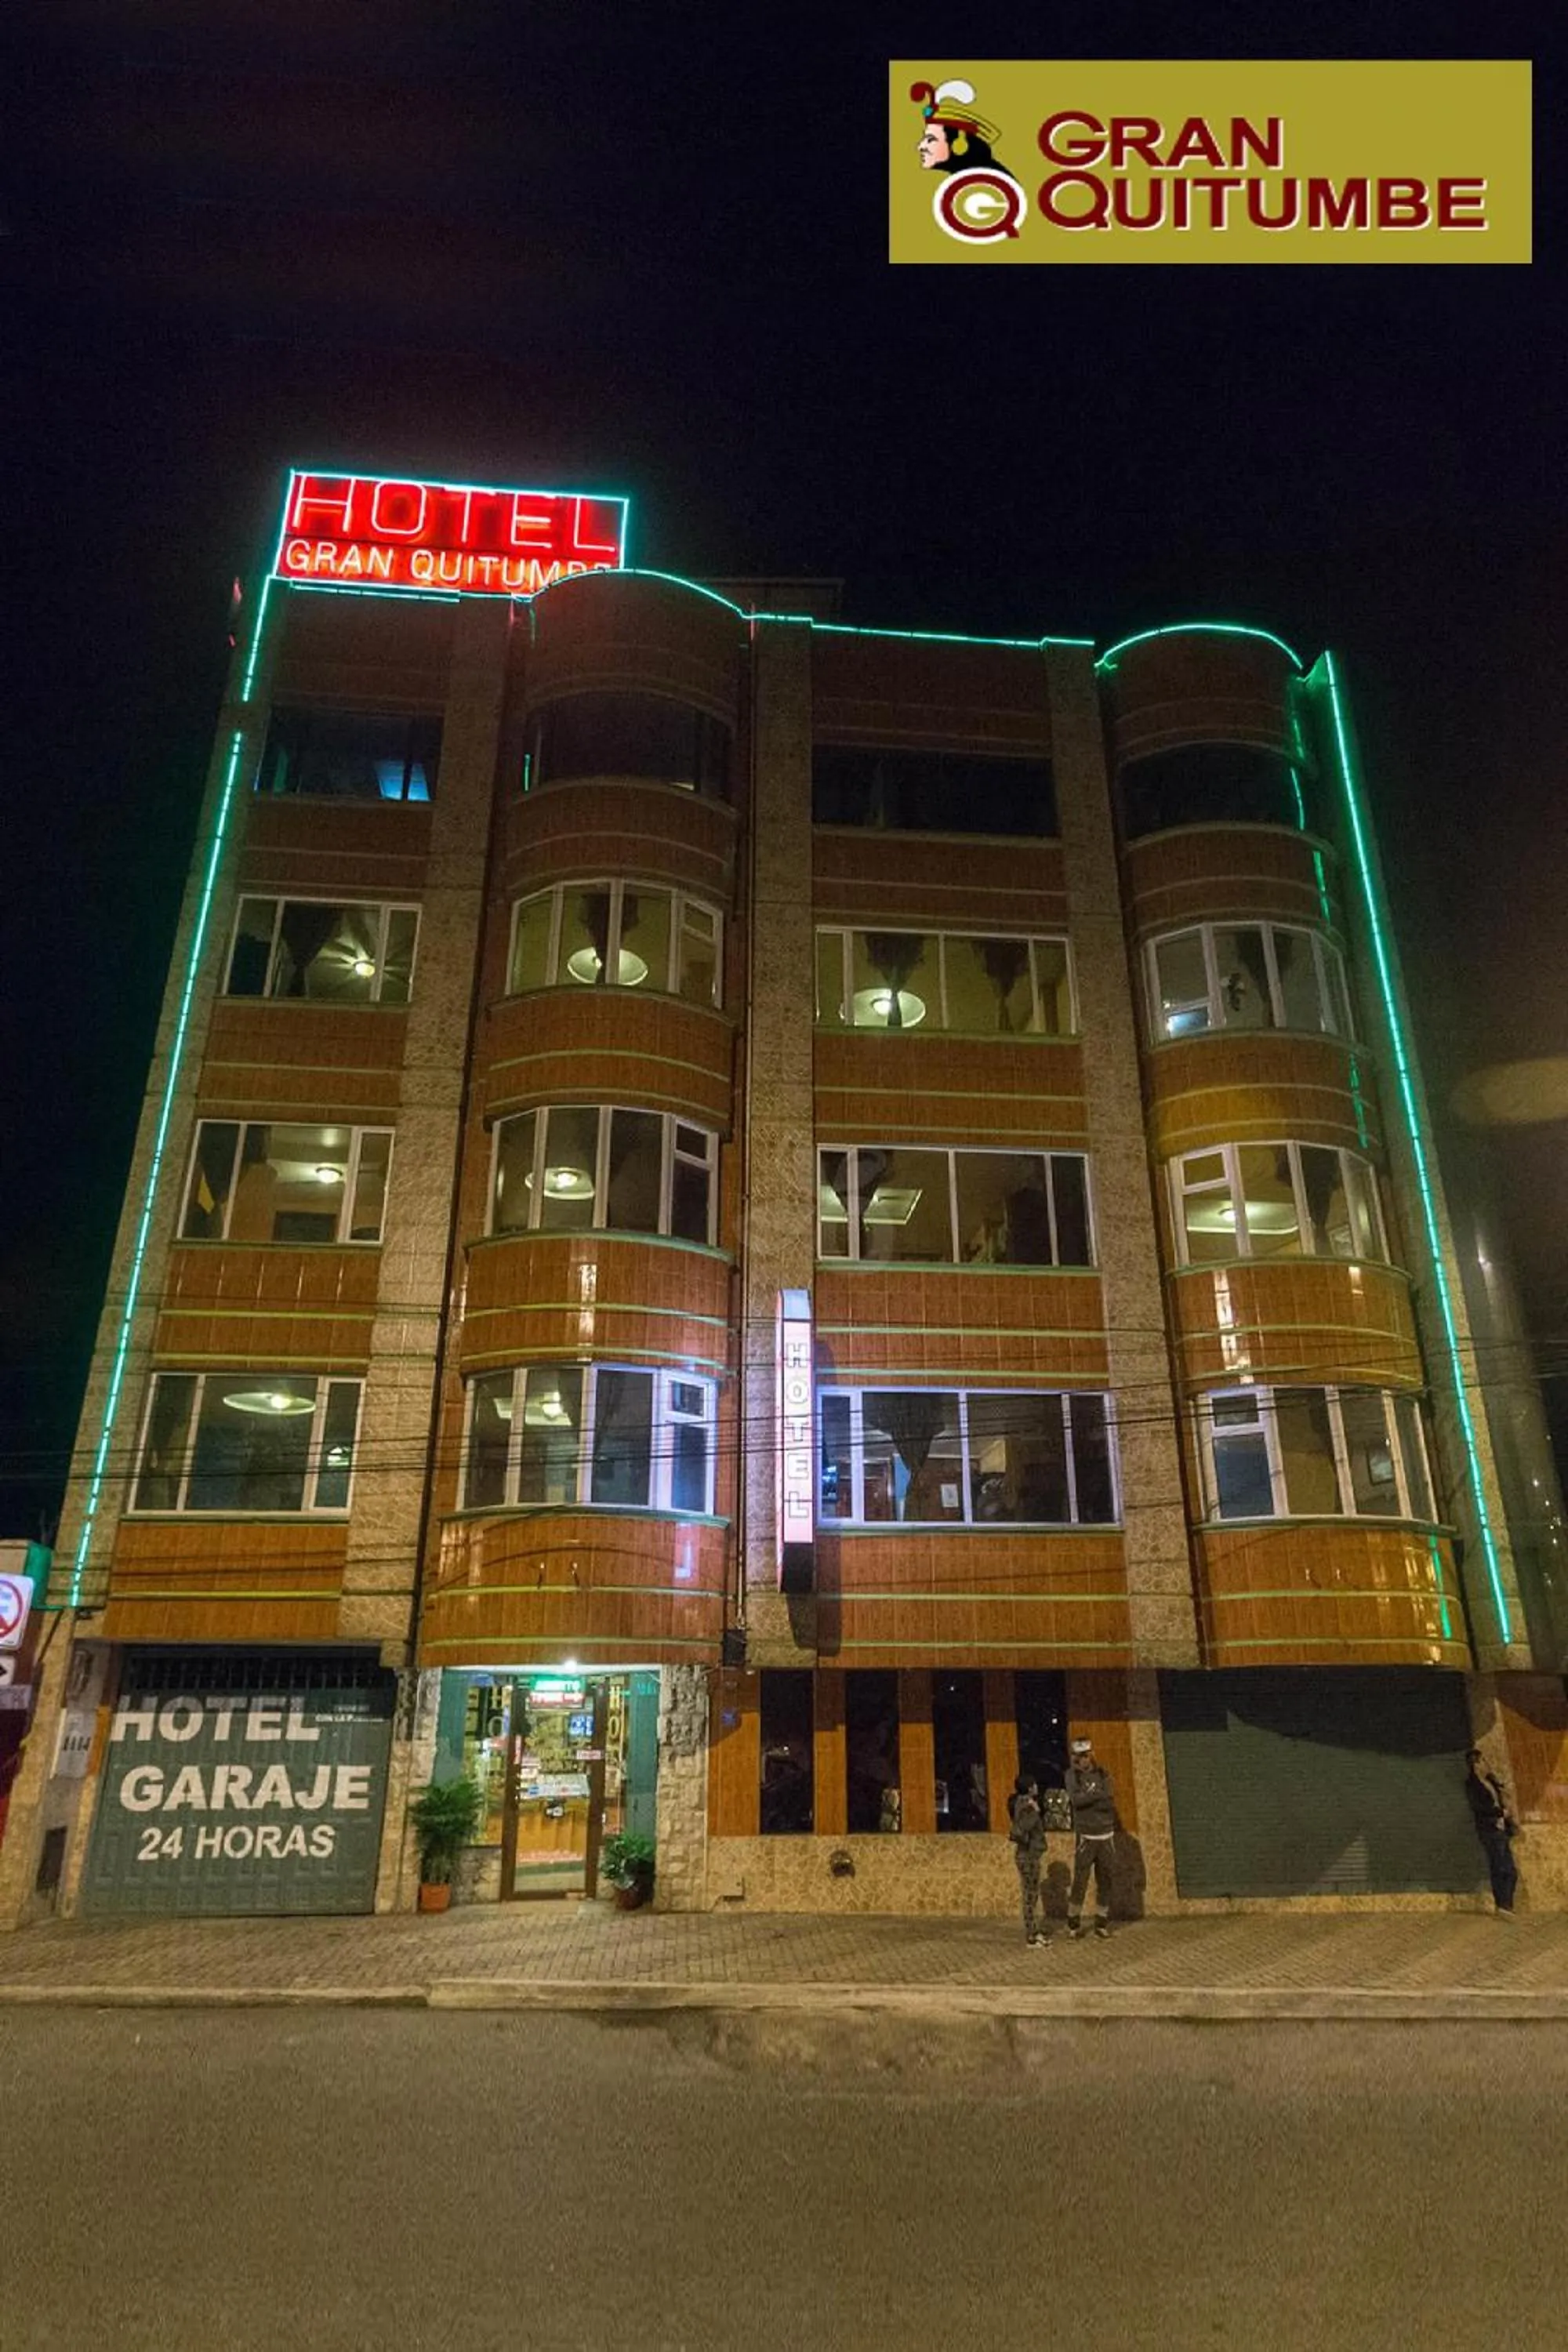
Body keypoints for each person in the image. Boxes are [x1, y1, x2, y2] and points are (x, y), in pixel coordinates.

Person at [1065, 1736, 1117, 1940]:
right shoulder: (1072, 1776)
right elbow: (1076, 1800)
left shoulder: (1103, 1774)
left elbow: (1109, 1800)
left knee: (1105, 1879)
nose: (1083, 1761)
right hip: (1086, 1835)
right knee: (1081, 1880)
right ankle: (1074, 1922)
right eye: (1078, 1757)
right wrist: (1097, 1796)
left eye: (1085, 1756)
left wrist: (1092, 1798)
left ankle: (1101, 1922)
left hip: (1106, 1834)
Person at [1465, 1748, 1519, 1915]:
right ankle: (1503, 1905)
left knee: (1510, 1870)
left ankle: (1506, 1905)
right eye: (1481, 1761)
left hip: (1502, 1828)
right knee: (1500, 1867)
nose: (1484, 1764)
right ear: (1474, 1765)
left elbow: (1502, 1800)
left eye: (1483, 1760)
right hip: (1489, 1830)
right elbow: (1478, 1808)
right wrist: (1499, 1813)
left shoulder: (1491, 1781)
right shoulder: (1472, 1785)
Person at [1007, 1772, 1051, 1948]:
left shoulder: (1022, 1803)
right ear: (1029, 1787)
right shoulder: (1027, 1806)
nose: (1037, 1787)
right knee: (1030, 1895)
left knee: (1031, 1894)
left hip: (1028, 1854)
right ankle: (1032, 1934)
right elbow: (1022, 1827)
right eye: (1034, 1784)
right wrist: (1036, 1812)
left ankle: (1034, 1930)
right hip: (1028, 1855)